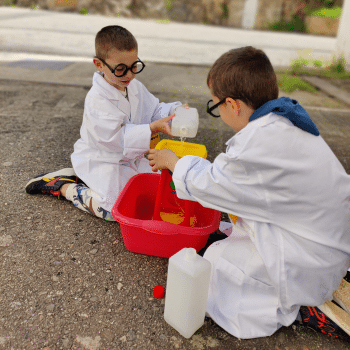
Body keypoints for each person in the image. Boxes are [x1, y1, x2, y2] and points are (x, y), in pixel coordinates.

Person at [148, 46, 350, 339]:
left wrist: (173, 162)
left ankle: (302, 304)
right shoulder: (283, 121)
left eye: (216, 106)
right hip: (330, 236)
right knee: (228, 237)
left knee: (216, 269)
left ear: (233, 104)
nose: (219, 113)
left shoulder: (256, 148)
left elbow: (211, 183)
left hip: (311, 260)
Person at [25, 25, 184, 221]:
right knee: (114, 211)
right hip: (104, 159)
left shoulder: (134, 86)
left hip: (130, 158)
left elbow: (153, 110)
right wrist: (151, 128)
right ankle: (64, 187)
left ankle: (80, 179)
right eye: (120, 69)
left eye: (134, 66)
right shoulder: (97, 99)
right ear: (99, 65)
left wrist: (173, 112)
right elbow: (114, 139)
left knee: (162, 190)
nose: (130, 75)